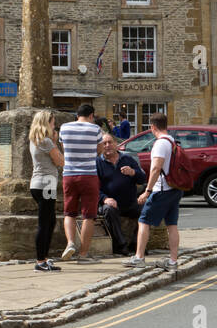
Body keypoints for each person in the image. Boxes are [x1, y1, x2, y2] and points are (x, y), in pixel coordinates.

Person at [124, 112, 181, 271]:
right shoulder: (172, 141)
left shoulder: (160, 143)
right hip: (175, 188)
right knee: (172, 224)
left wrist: (147, 191)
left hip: (161, 189)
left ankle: (139, 257)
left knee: (144, 220)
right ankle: (173, 261)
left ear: (152, 127)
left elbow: (156, 168)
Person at [59, 103, 104, 262]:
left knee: (69, 212)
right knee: (88, 216)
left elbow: (64, 149)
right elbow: (99, 150)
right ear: (91, 115)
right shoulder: (95, 129)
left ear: (77, 114)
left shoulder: (64, 128)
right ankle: (83, 254)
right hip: (88, 175)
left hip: (69, 175)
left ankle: (70, 243)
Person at [28, 110, 64, 272]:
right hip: (47, 183)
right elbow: (60, 161)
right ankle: (40, 260)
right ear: (46, 123)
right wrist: (56, 142)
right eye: (53, 123)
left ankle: (44, 258)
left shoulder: (35, 140)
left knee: (50, 222)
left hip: (37, 183)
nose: (54, 126)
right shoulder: (47, 142)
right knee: (45, 224)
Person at [97, 134, 144, 255]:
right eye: (104, 143)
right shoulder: (97, 163)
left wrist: (133, 172)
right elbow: (93, 189)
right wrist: (105, 198)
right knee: (109, 210)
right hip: (111, 204)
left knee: (148, 208)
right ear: (100, 146)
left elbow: (142, 179)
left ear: (116, 144)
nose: (107, 145)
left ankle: (136, 243)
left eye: (110, 142)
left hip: (130, 202)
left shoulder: (127, 159)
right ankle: (121, 245)